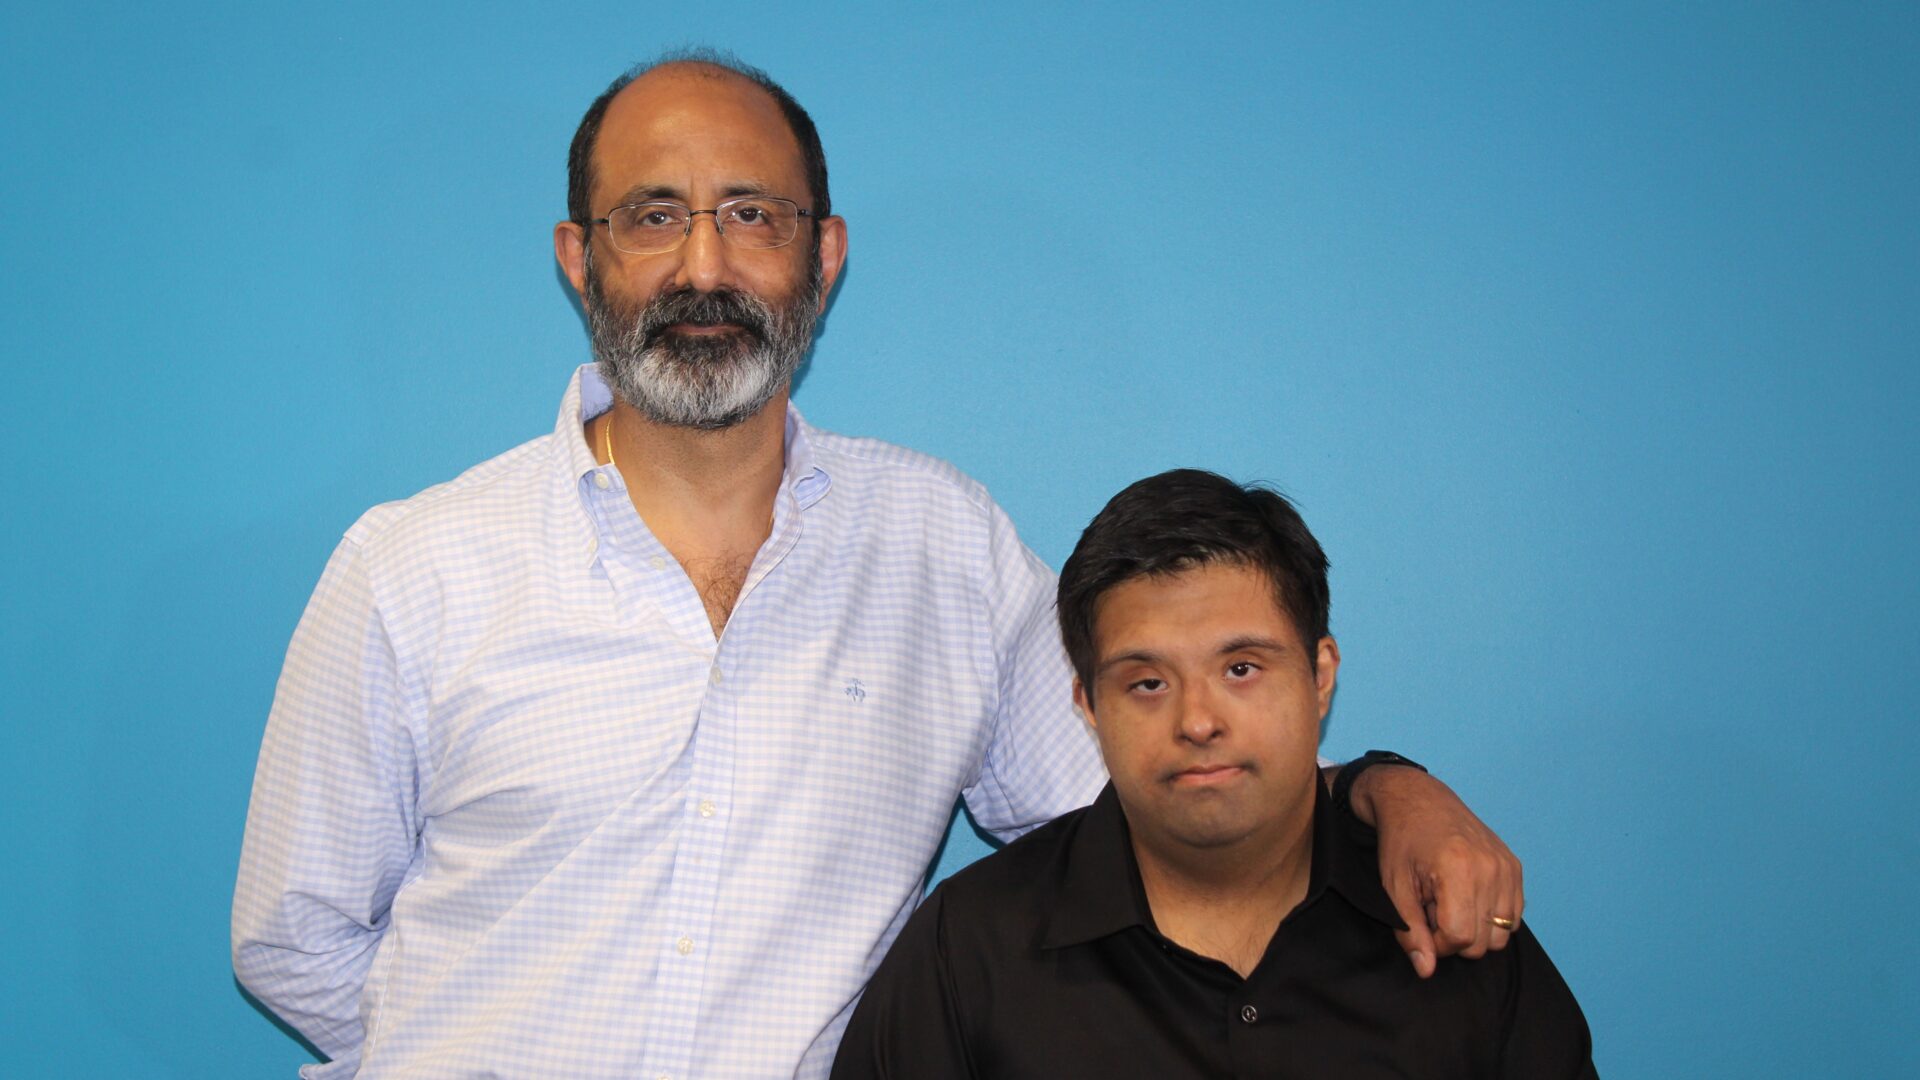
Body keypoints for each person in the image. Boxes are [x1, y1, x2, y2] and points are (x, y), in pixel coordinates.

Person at [233, 53, 1526, 1080]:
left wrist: (1385, 792)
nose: (703, 265)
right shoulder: (415, 567)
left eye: (752, 215)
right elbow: (294, 940)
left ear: (824, 254)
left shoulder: (942, 547)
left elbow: (1159, 787)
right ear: (581, 257)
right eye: (653, 217)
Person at [833, 469, 1595, 1078]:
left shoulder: (1446, 919)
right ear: (1088, 706)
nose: (1198, 720)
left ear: (1321, 676)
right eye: (1147, 683)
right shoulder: (969, 953)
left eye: (1241, 668)